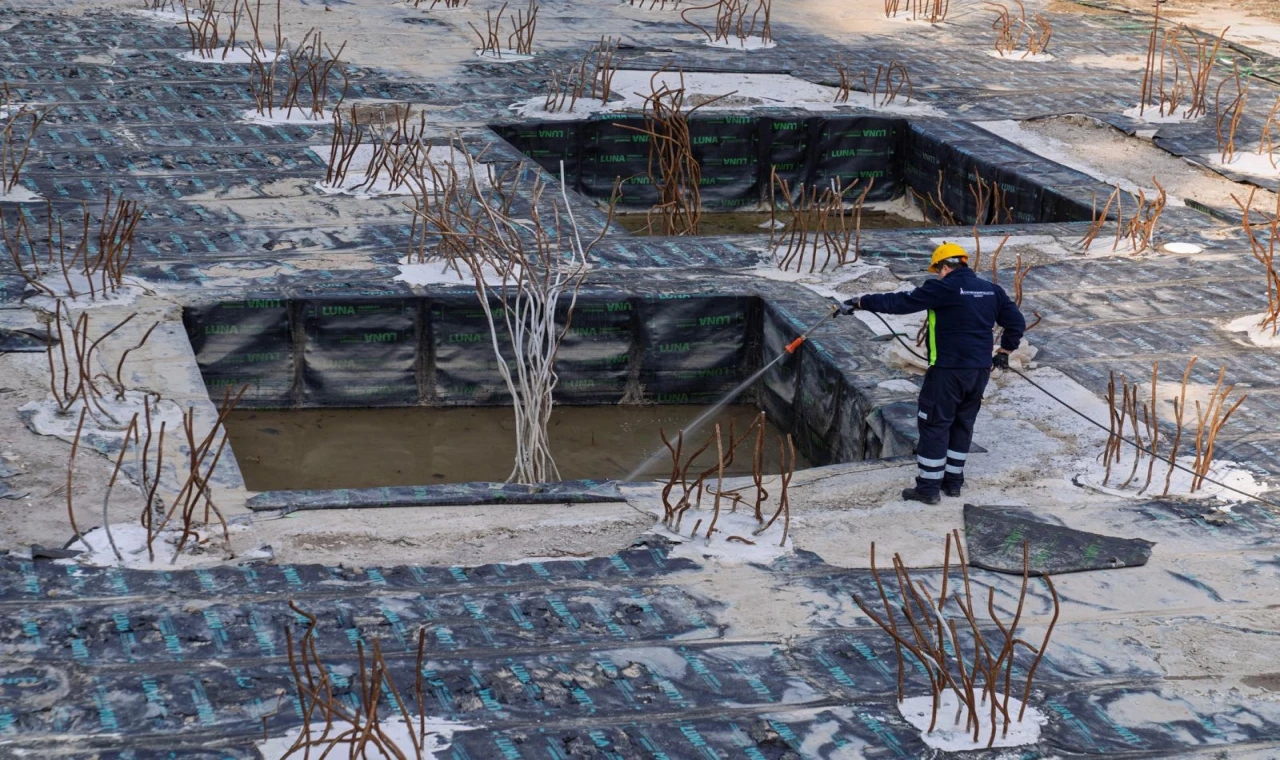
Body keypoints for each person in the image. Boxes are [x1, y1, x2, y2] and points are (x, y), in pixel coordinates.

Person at [838, 242, 1026, 505]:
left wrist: (861, 302)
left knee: (935, 424)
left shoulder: (944, 287)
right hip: (979, 372)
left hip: (947, 372)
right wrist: (1004, 351)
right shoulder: (991, 290)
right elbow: (1016, 322)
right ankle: (953, 483)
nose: (938, 275)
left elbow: (900, 302)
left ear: (945, 267)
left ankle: (927, 489)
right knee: (962, 423)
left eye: (938, 270)